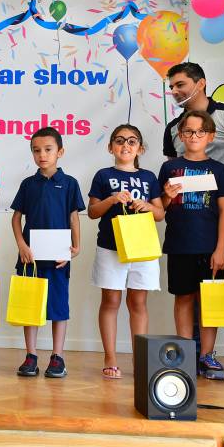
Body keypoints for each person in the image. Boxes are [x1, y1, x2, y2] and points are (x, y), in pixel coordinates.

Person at [164, 61, 224, 375]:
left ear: (200, 83)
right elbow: (171, 176)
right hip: (188, 223)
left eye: (180, 85)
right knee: (193, 291)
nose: (175, 91)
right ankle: (199, 354)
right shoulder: (172, 128)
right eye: (172, 87)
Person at [158, 110, 224, 380]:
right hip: (180, 244)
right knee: (184, 298)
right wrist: (166, 197)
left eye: (200, 132)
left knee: (210, 302)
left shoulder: (220, 170)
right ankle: (185, 353)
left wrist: (221, 248)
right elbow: (160, 209)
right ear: (180, 135)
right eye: (189, 131)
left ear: (210, 137)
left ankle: (207, 355)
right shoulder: (169, 168)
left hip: (210, 246)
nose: (194, 136)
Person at [87, 124, 165, 379]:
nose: (125, 145)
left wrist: (146, 206)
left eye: (132, 141)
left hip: (142, 248)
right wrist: (111, 199)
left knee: (138, 303)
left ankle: (140, 358)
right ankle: (110, 357)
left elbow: (160, 214)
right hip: (111, 247)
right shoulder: (102, 175)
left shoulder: (149, 177)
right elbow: (92, 212)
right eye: (119, 141)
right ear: (111, 147)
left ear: (140, 148)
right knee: (110, 301)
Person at [12, 127, 85, 378]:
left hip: (57, 259)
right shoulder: (28, 184)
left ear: (60, 152)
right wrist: (21, 245)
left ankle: (57, 356)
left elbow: (74, 218)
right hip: (30, 258)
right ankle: (31, 354)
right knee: (29, 306)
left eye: (48, 149)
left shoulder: (69, 183)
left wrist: (75, 248)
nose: (42, 155)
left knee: (58, 307)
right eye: (36, 150)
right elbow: (16, 218)